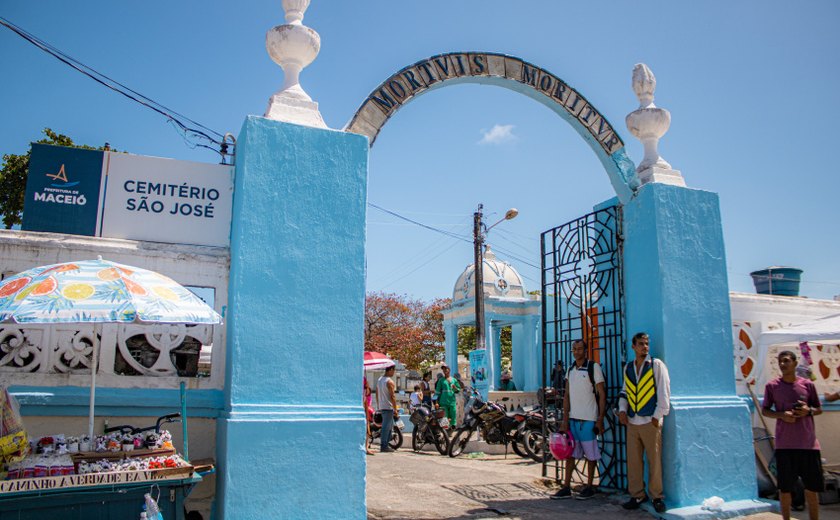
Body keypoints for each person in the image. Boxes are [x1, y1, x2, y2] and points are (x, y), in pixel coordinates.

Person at [762, 350, 823, 520]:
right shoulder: (772, 386)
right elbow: (765, 410)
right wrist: (782, 415)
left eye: (787, 361)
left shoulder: (808, 385)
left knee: (812, 489)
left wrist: (807, 411)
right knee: (785, 489)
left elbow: (818, 409)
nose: (783, 364)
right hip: (785, 446)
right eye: (780, 361)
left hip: (808, 445)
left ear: (795, 363)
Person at [618, 332, 670, 513]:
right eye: (640, 344)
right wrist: (623, 410)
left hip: (650, 421)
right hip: (633, 421)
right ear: (633, 346)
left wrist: (658, 415)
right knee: (634, 461)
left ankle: (657, 496)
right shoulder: (629, 368)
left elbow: (664, 391)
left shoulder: (656, 365)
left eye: (646, 344)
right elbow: (625, 391)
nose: (644, 347)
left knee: (654, 461)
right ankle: (637, 494)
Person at [551, 339, 606, 500]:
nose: (576, 352)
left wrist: (600, 419)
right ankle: (566, 486)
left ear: (585, 350)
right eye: (574, 349)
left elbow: (602, 394)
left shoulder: (593, 368)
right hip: (573, 419)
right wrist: (565, 419)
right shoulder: (570, 370)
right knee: (570, 455)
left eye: (580, 349)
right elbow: (567, 395)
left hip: (588, 419)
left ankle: (589, 486)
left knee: (591, 455)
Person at [376, 364, 399, 453]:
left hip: (382, 406)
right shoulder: (389, 381)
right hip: (388, 406)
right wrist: (395, 408)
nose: (393, 373)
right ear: (390, 370)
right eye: (393, 371)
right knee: (386, 427)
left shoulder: (379, 380)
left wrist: (378, 404)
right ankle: (384, 445)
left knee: (388, 426)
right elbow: (392, 396)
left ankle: (386, 444)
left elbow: (377, 393)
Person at [363, 376, 375, 455]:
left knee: (367, 432)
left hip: (367, 413)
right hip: (364, 412)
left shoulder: (366, 395)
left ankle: (366, 448)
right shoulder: (364, 395)